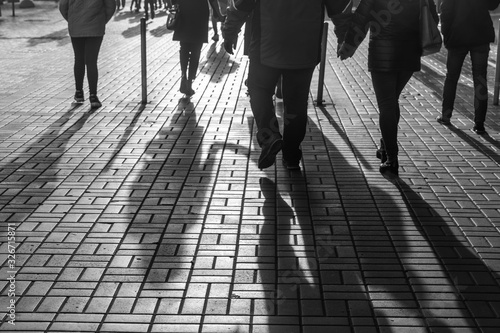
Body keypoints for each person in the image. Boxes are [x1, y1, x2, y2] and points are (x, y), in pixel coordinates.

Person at [222, 0, 353, 170]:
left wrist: (230, 31)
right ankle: (291, 155)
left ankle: (269, 137)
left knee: (258, 89)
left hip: (267, 45)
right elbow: (339, 9)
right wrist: (345, 38)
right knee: (297, 104)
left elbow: (241, 5)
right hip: (305, 47)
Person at [338, 0, 439, 177]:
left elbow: (361, 19)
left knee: (386, 104)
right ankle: (386, 145)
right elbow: (432, 16)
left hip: (382, 52)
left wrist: (348, 45)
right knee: (391, 101)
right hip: (409, 52)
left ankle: (391, 158)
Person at [436, 0, 500, 135]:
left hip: (457, 36)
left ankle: (446, 116)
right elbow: (492, 5)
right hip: (480, 36)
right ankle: (479, 124)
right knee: (480, 79)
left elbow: (446, 10)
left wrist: (446, 34)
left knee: (451, 78)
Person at [59, 0, 116, 109]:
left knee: (79, 59)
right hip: (95, 26)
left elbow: (63, 6)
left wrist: (72, 20)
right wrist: (102, 21)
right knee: (91, 61)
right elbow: (111, 6)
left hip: (76, 26)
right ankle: (93, 96)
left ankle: (79, 92)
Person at [173, 0, 221, 97]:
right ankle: (189, 82)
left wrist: (175, 4)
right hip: (200, 13)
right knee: (196, 50)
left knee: (184, 47)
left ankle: (183, 75)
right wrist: (217, 12)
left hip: (184, 12)